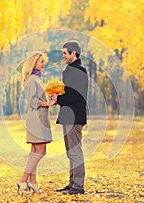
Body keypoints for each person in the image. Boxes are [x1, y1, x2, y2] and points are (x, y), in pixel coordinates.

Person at [51, 41, 88, 195]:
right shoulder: (71, 70)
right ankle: (73, 183)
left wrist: (57, 99)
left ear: (74, 54)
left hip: (74, 117)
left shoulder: (78, 70)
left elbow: (75, 95)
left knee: (75, 151)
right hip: (68, 116)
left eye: (65, 53)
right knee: (70, 151)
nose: (63, 56)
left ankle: (78, 186)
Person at [17, 52, 56, 194]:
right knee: (41, 151)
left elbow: (39, 99)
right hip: (36, 119)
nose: (43, 64)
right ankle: (23, 179)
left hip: (40, 118)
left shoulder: (37, 79)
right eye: (41, 61)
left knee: (35, 151)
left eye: (43, 61)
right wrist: (49, 102)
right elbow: (33, 102)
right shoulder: (32, 79)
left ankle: (32, 182)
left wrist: (52, 98)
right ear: (33, 64)